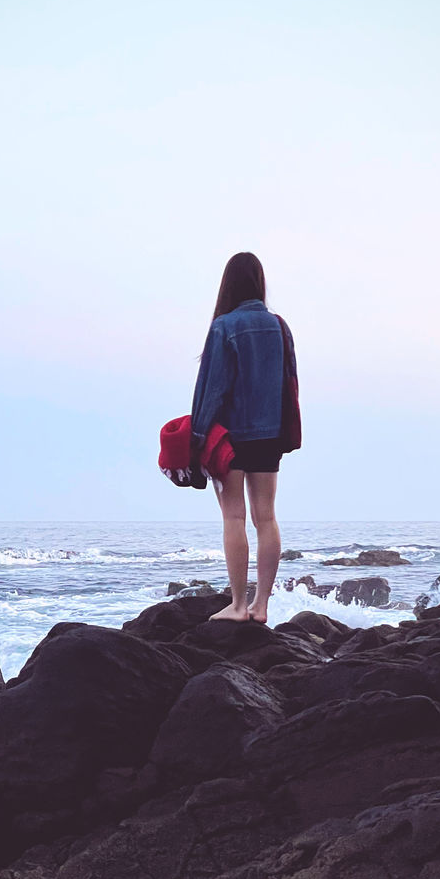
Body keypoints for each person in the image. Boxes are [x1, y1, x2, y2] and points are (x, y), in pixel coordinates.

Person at [190, 252, 299, 624]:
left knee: (233, 517)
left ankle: (238, 605)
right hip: (269, 434)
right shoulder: (279, 326)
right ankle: (262, 607)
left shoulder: (224, 326)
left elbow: (212, 389)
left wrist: (197, 436)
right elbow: (290, 384)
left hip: (230, 437)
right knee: (266, 518)